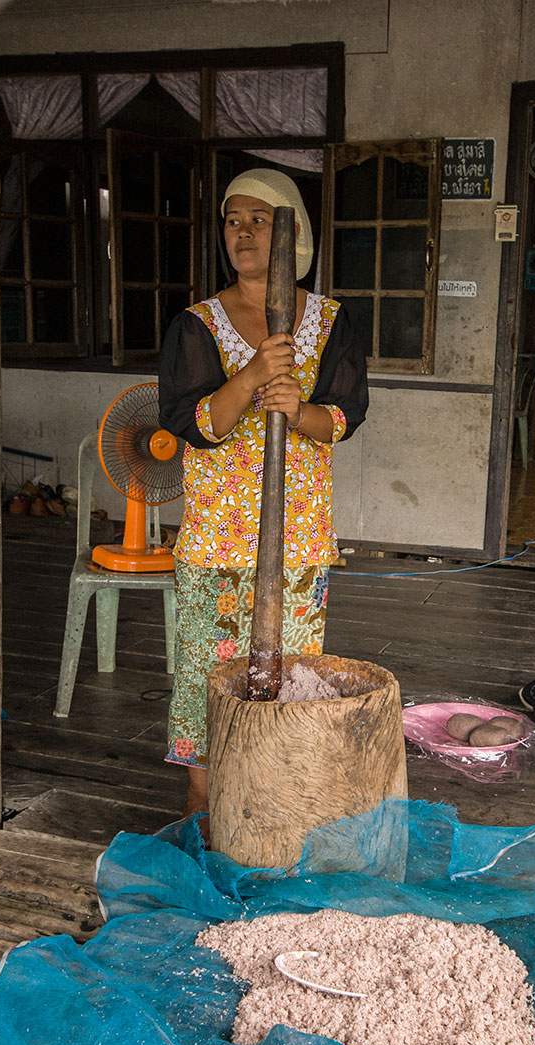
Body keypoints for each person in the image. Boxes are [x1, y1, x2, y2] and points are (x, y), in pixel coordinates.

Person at [158, 168, 369, 817]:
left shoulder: (331, 320)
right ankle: (204, 814)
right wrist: (251, 375)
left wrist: (298, 408)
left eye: (260, 219)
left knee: (289, 676)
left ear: (292, 231)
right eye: (233, 220)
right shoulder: (197, 324)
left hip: (298, 538)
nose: (243, 233)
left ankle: (274, 814)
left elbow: (343, 416)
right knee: (207, 684)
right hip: (219, 541)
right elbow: (194, 426)